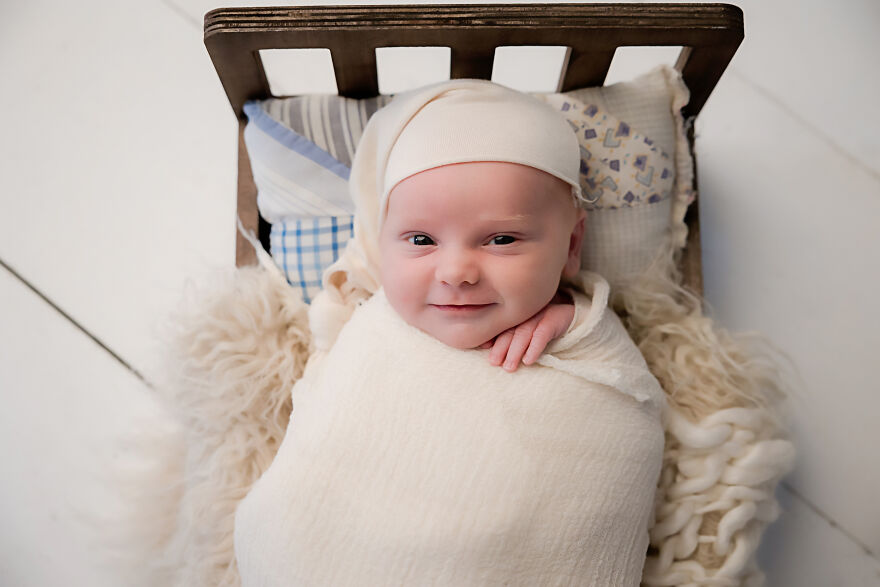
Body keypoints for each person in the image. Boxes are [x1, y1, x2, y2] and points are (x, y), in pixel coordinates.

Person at [234, 79, 667, 586]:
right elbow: (326, 425)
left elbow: (628, 408)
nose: (456, 271)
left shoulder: (581, 333)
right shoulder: (371, 324)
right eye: (421, 239)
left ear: (572, 244)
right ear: (380, 242)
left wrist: (573, 322)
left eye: (502, 239)